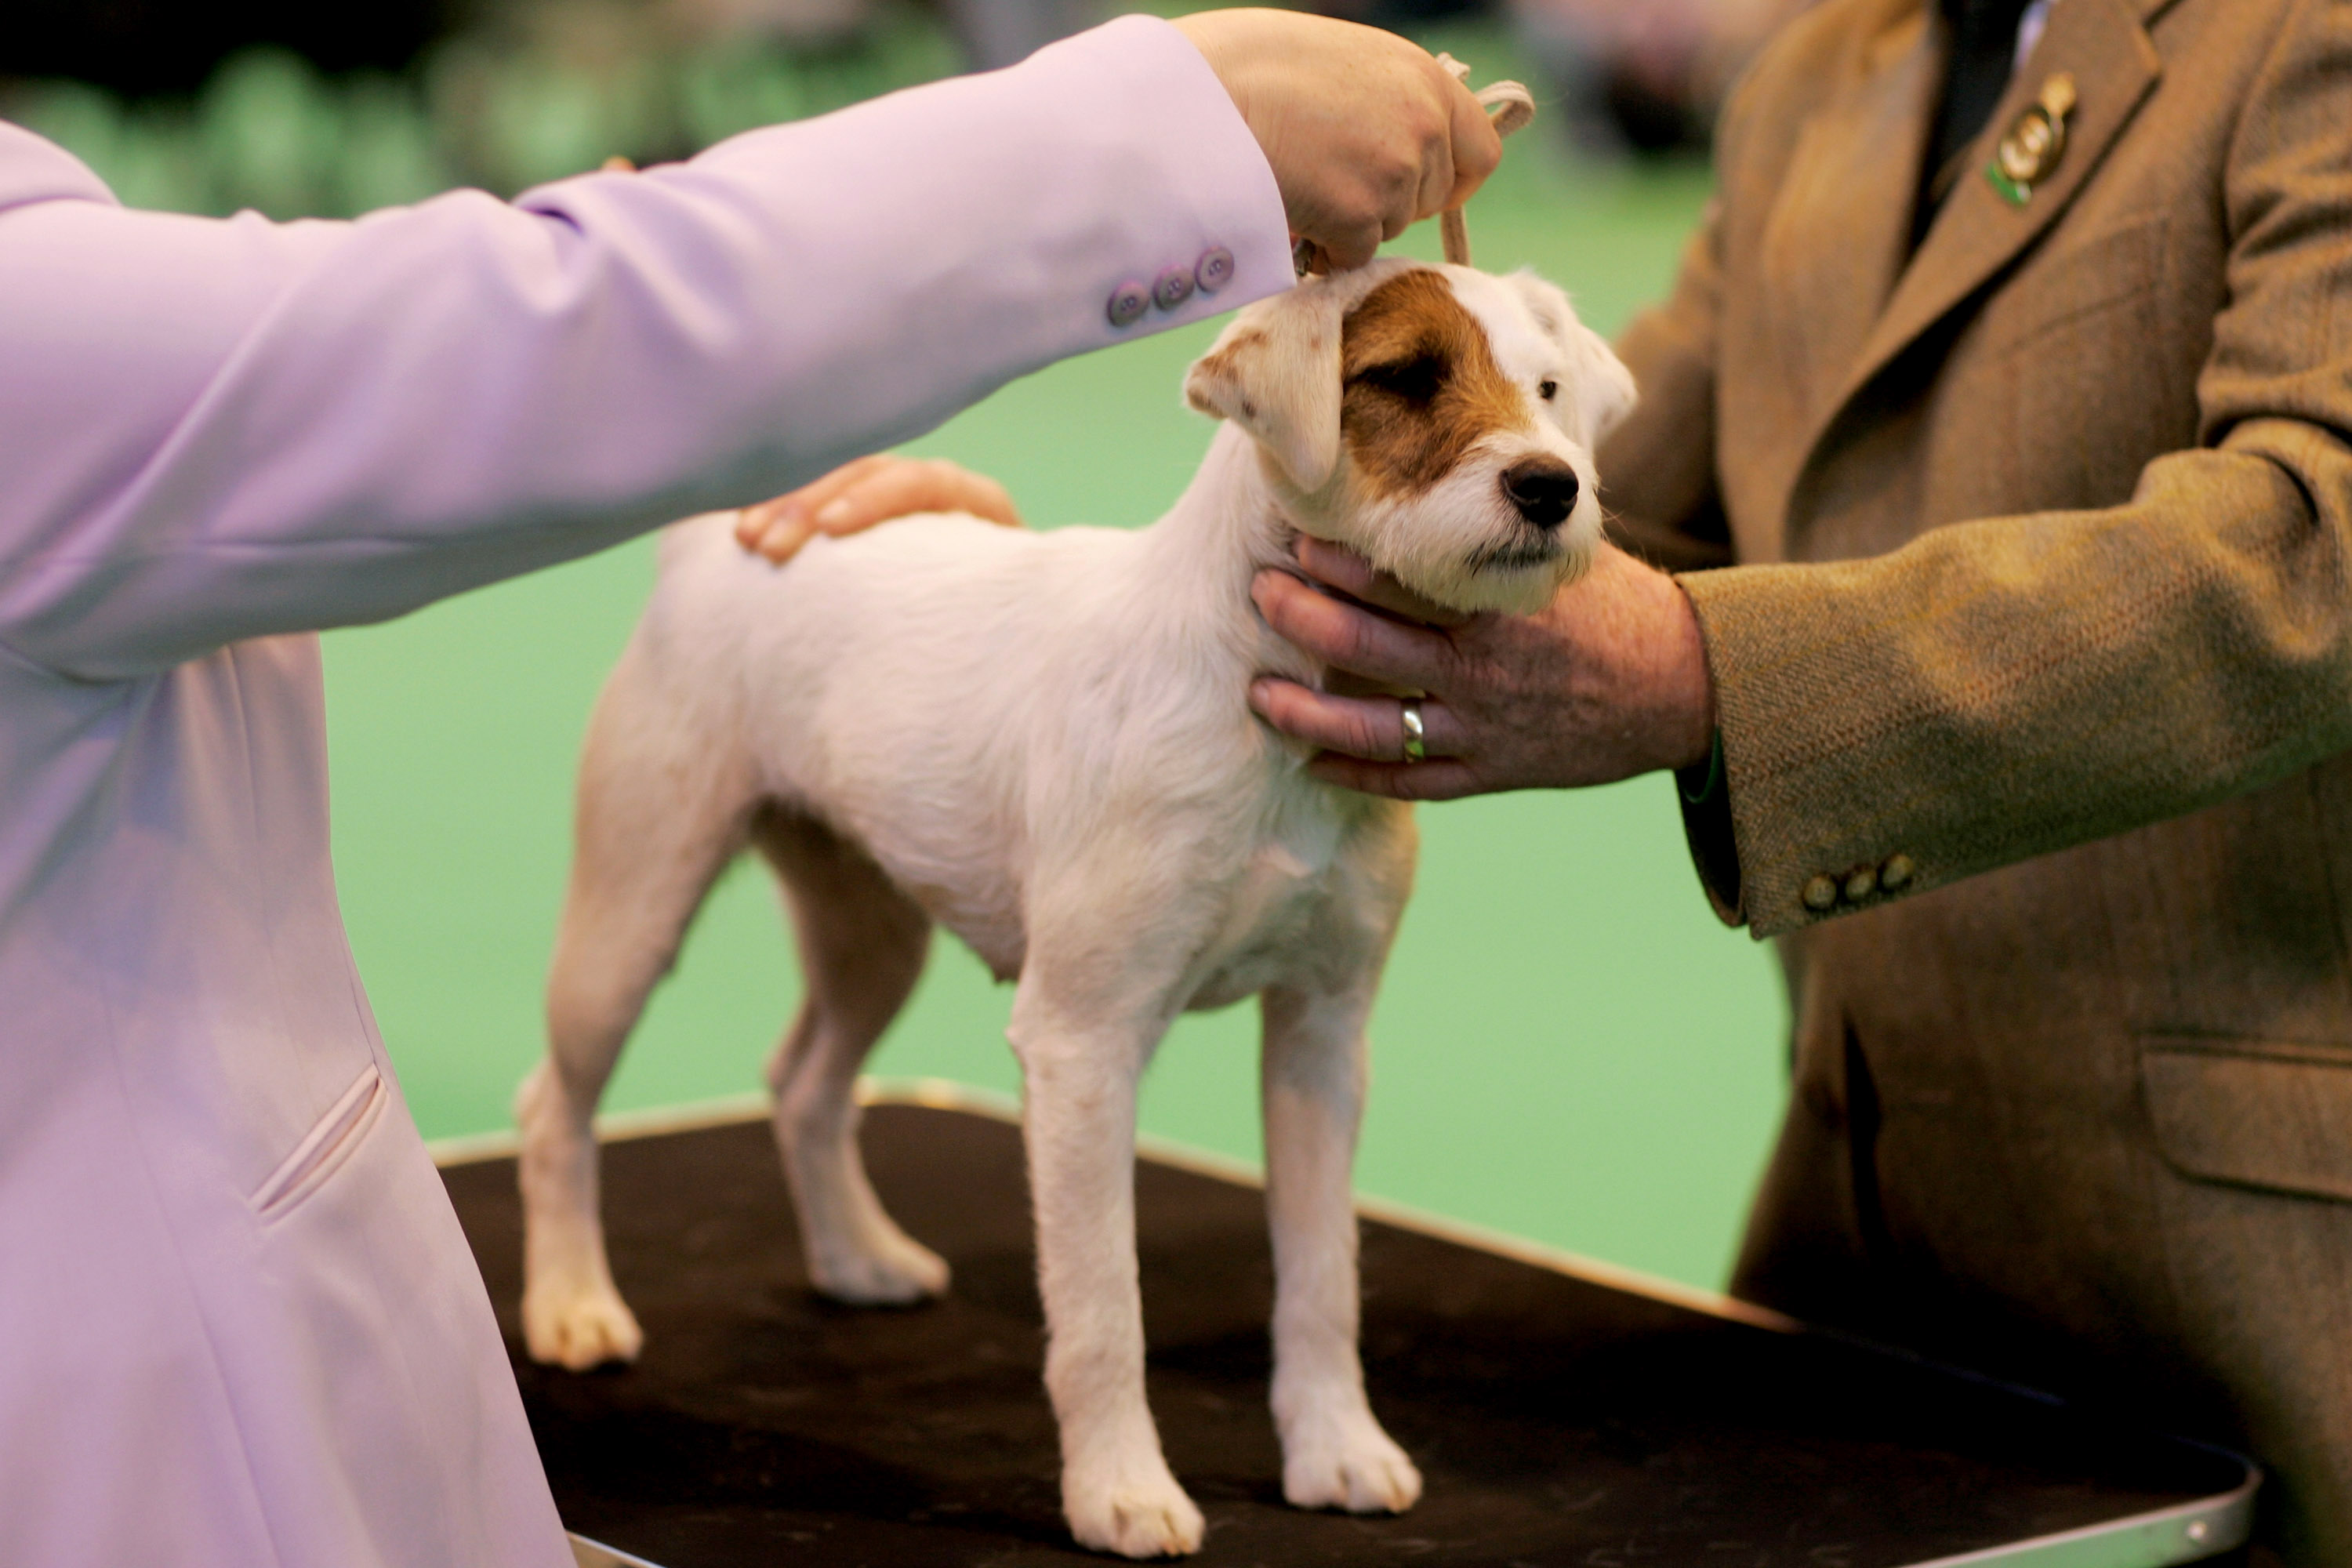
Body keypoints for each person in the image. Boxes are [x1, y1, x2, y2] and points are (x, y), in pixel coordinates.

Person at [0, 12, 1501, 1564]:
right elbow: (522, 339)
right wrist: (1185, 121)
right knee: (607, 993)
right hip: (125, 1403)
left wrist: (967, 590)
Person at [1237, 0, 2352, 1560]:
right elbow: (1607, 495)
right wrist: (987, 594)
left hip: (2265, 1303)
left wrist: (1707, 670)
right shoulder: (1823, 73)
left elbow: (2317, 549)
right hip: (1858, 1253)